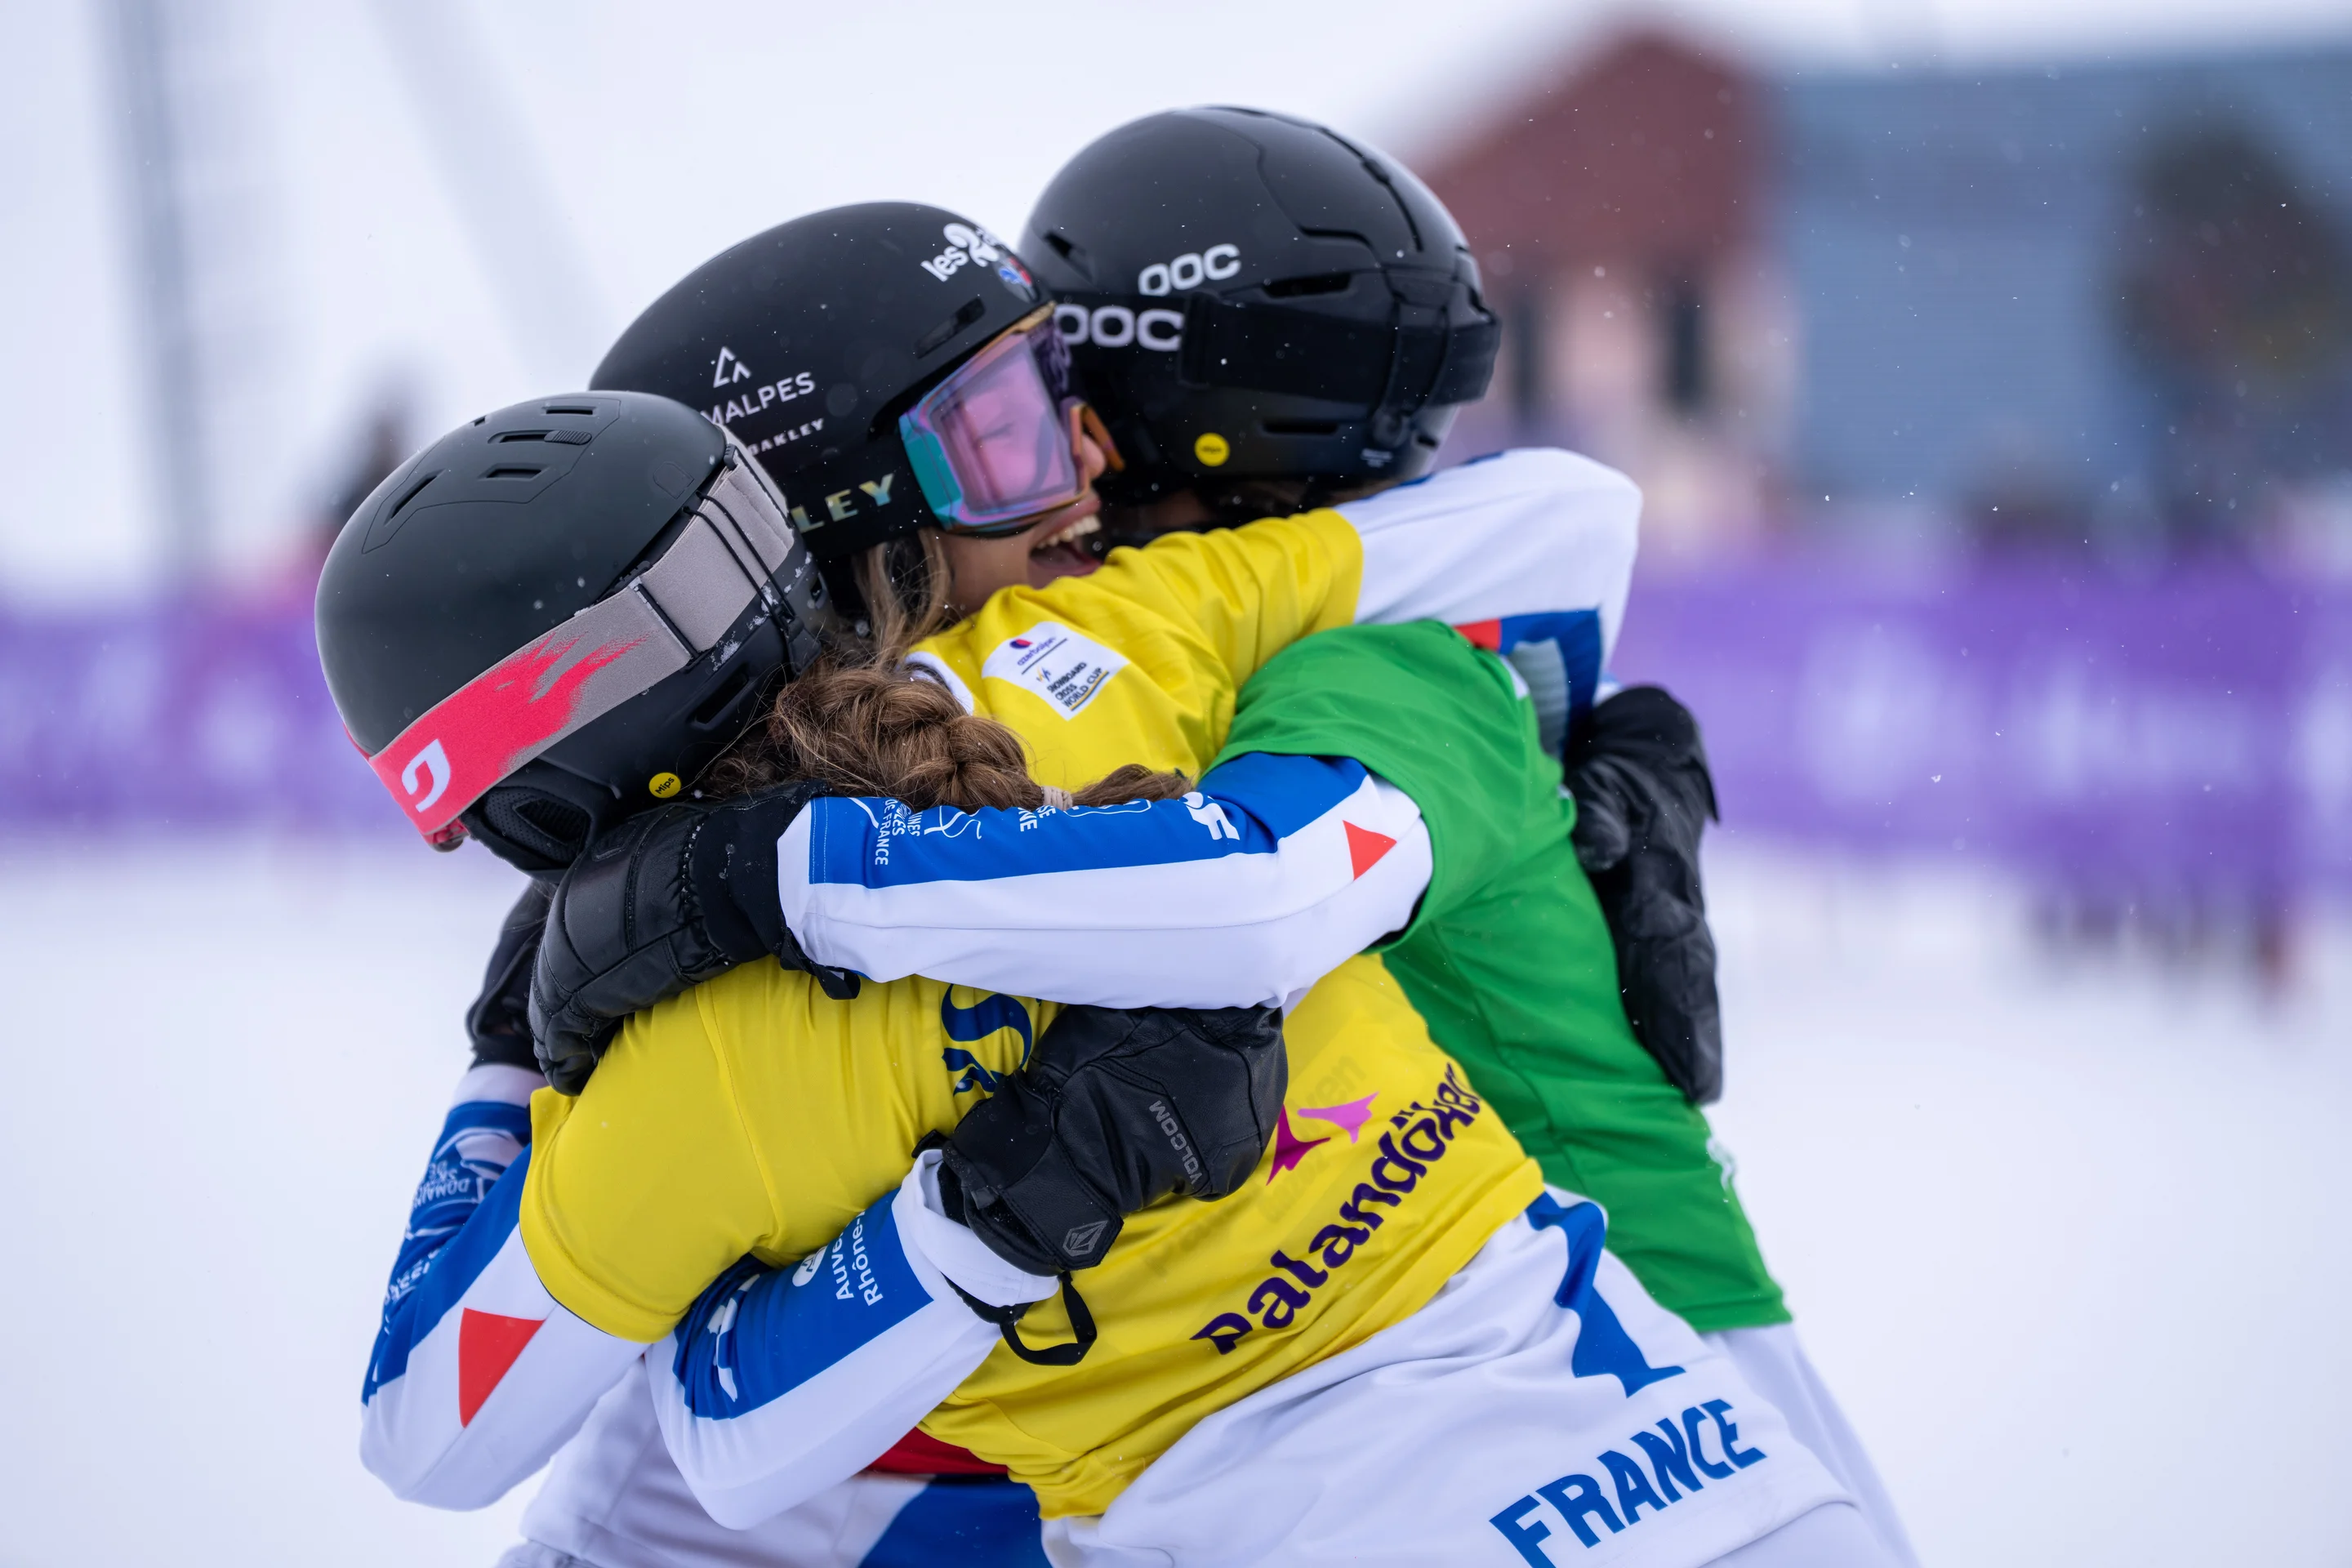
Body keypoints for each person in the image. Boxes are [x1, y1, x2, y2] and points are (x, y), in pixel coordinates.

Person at [516, 114, 1912, 1561]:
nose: (1075, 462)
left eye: (1074, 405)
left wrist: (772, 882)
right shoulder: (1183, 659)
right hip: (1389, 1385)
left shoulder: (1317, 666)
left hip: (1566, 1387)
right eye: (1023, 415)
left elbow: (1261, 877)